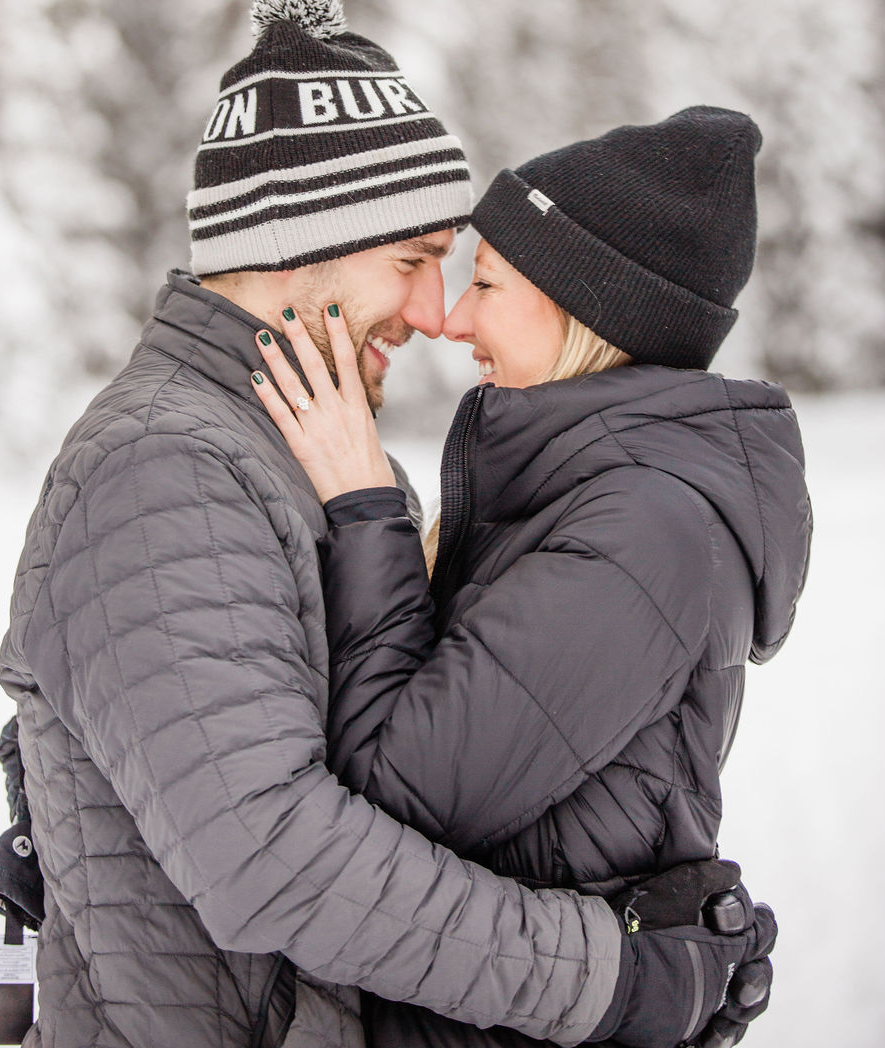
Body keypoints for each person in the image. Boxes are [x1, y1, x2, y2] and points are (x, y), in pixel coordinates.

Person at [0, 0, 778, 1048]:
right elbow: (277, 857)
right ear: (297, 245)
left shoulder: (308, 455)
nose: (430, 311)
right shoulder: (162, 465)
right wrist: (606, 976)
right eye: (412, 260)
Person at [249, 103, 811, 1048]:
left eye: (490, 283)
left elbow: (397, 789)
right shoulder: (585, 497)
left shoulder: (646, 532)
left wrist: (363, 509)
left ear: (584, 307)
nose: (454, 318)